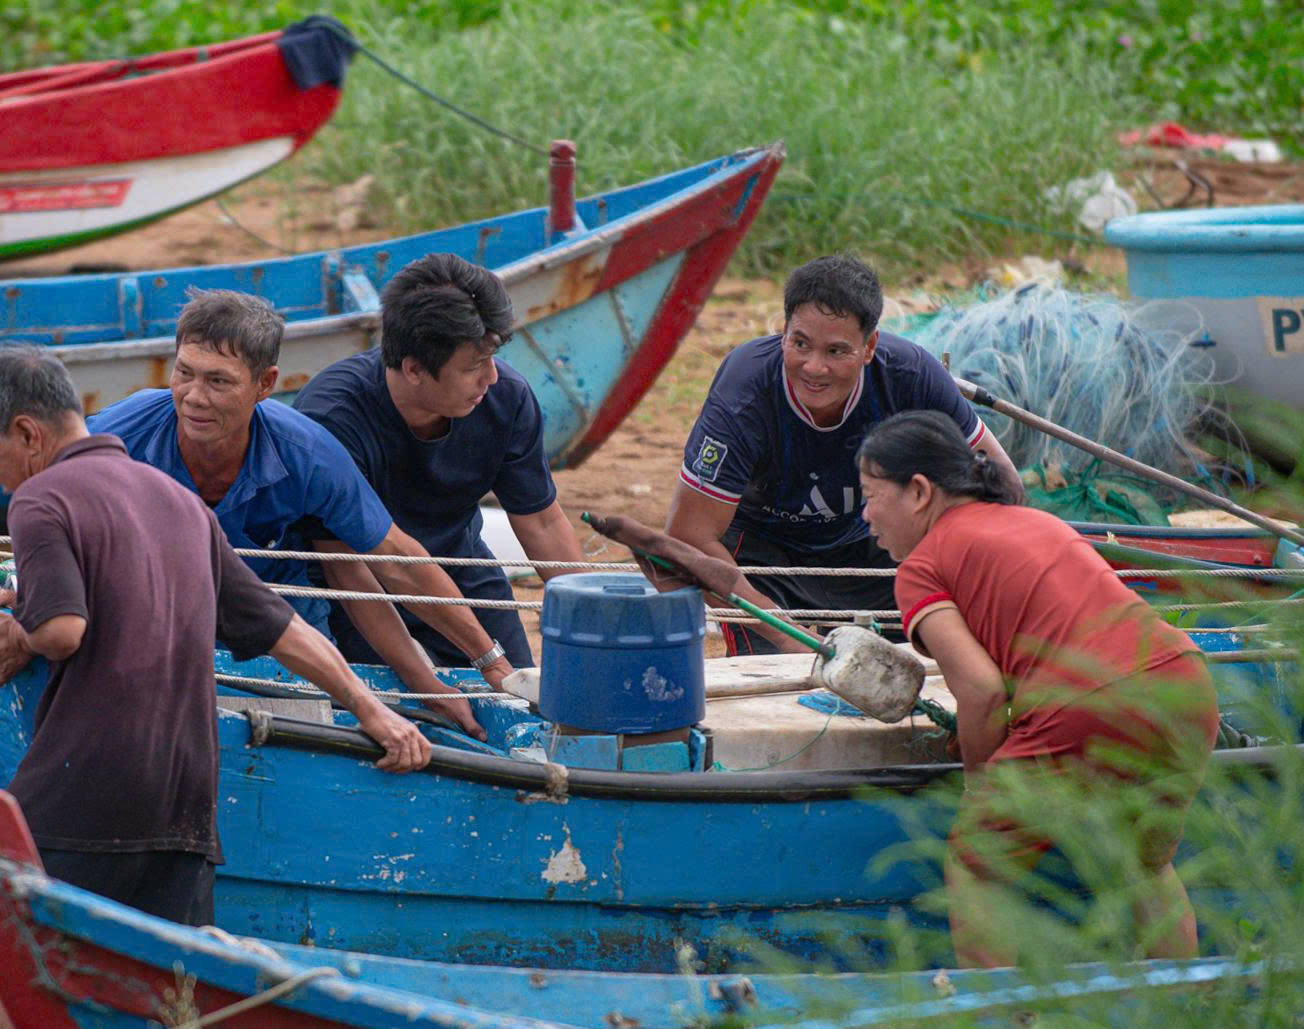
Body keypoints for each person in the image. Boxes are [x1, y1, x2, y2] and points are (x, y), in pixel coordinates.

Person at [0, 345, 430, 1029]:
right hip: (188, 789)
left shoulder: (42, 499)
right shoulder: (177, 500)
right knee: (168, 987)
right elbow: (280, 625)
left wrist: (16, 631)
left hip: (87, 776)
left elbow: (65, 629)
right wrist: (370, 709)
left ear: (30, 434)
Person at [855, 409, 1218, 968]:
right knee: (1142, 863)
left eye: (872, 494)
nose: (866, 515)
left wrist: (982, 787)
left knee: (976, 864)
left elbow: (980, 691)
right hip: (1183, 681)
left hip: (1086, 699)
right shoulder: (1034, 521)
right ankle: (1189, 1013)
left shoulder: (921, 566)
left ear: (920, 492)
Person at [89, 290, 517, 740]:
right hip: (154, 629)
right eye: (184, 373)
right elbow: (48, 500)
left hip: (283, 643)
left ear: (265, 383)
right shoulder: (122, 432)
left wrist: (488, 662)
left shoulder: (307, 453)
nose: (194, 397)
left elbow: (394, 560)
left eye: (218, 382)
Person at [664, 254, 1023, 653]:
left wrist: (953, 572)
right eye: (800, 344)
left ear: (869, 346)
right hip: (760, 553)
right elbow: (688, 536)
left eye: (836, 351)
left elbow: (1001, 484)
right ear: (783, 333)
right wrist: (800, 644)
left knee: (938, 658)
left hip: (869, 538)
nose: (814, 368)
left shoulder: (911, 375)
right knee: (778, 683)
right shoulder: (743, 393)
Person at [295, 253, 585, 672]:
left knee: (521, 697)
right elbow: (350, 569)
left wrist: (593, 615)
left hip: (460, 564)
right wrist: (465, 668)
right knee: (412, 717)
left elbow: (540, 521)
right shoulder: (331, 420)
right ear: (413, 368)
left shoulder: (506, 399)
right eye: (473, 367)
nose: (492, 378)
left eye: (491, 358)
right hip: (359, 587)